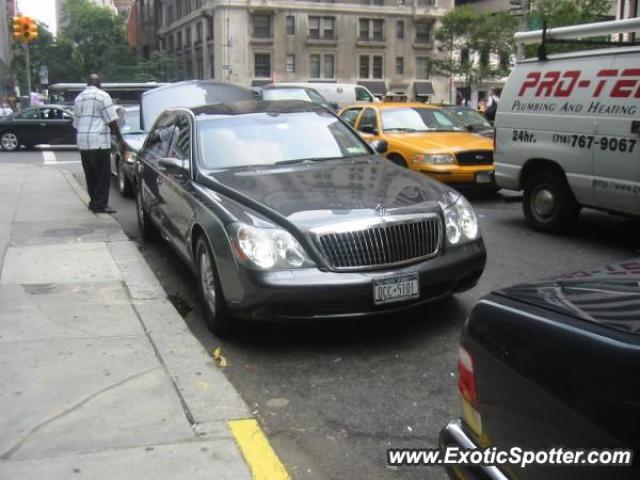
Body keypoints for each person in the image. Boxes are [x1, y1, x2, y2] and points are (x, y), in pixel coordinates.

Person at [73, 74, 125, 214]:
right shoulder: (103, 96)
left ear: (87, 83)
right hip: (99, 141)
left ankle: (94, 202)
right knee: (103, 175)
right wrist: (120, 139)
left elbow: (76, 123)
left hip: (83, 142)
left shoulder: (79, 98)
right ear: (99, 83)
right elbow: (111, 120)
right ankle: (101, 205)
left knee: (90, 175)